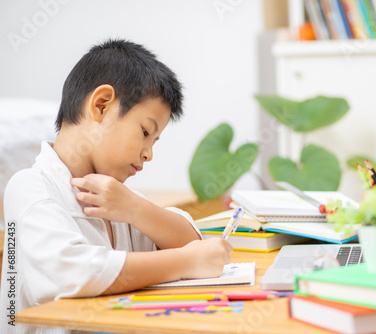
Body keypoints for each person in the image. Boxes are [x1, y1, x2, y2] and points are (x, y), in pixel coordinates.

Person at [0, 39, 233, 334]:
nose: (149, 153)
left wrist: (136, 210)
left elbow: (191, 242)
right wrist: (184, 262)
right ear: (101, 105)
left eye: (154, 141)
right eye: (145, 132)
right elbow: (72, 274)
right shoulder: (30, 187)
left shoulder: (122, 200)